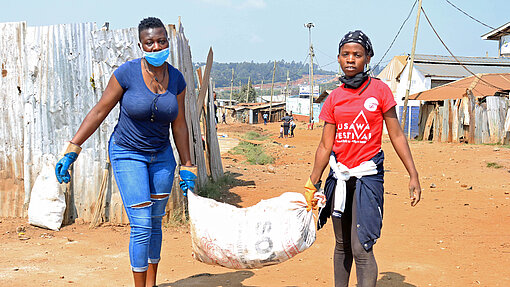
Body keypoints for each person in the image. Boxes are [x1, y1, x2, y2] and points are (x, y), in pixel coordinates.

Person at [54, 17, 197, 287]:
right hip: (128, 152)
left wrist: (188, 164)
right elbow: (99, 111)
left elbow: (179, 124)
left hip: (162, 157)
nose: (156, 47)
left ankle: (151, 284)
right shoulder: (126, 74)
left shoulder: (177, 79)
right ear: (141, 45)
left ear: (168, 41)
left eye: (161, 41)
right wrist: (73, 149)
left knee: (155, 222)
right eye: (150, 43)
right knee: (142, 224)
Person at [304, 30, 421, 287]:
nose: (350, 59)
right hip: (339, 177)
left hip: (368, 177)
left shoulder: (379, 91)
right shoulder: (333, 98)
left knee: (362, 247)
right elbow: (325, 145)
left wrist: (413, 174)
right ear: (337, 58)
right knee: (342, 245)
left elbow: (397, 135)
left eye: (357, 54)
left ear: (368, 58)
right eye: (345, 54)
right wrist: (312, 183)